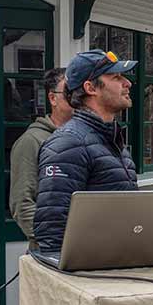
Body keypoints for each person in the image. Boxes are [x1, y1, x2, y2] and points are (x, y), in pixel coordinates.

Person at [33, 49, 139, 252]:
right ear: (90, 88)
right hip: (92, 276)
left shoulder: (114, 142)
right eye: (116, 77)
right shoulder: (68, 143)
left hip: (119, 266)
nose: (127, 83)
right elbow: (52, 233)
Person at [9, 68, 73, 249]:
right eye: (69, 93)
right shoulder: (32, 141)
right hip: (51, 251)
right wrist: (49, 242)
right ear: (53, 98)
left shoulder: (87, 138)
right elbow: (23, 203)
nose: (77, 98)